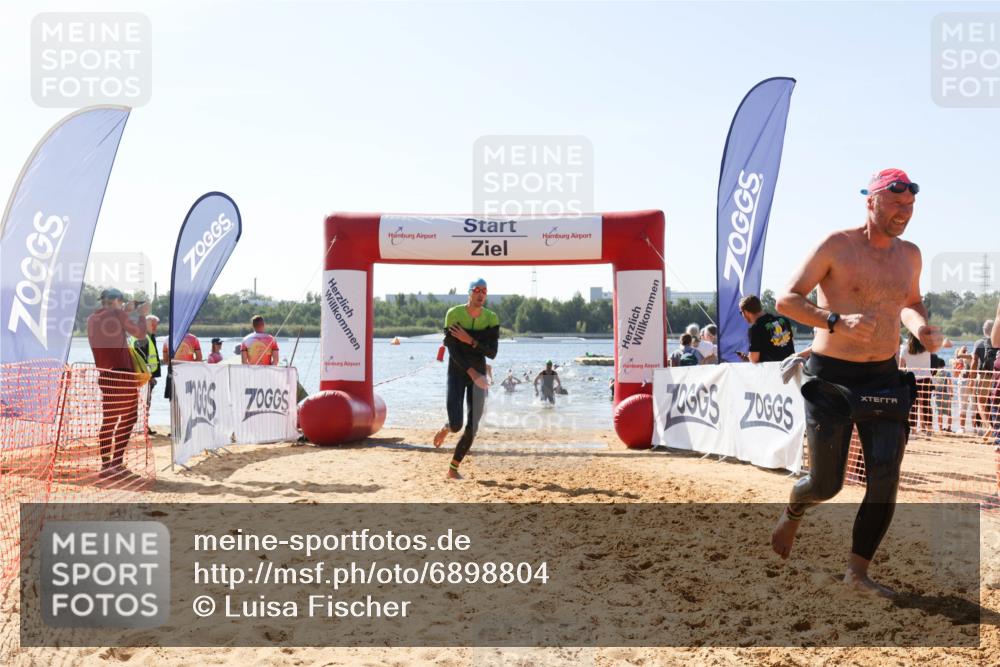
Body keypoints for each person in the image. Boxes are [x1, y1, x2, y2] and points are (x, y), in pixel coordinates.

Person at [770, 168, 942, 597]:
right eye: (896, 204)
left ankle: (857, 574)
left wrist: (921, 328)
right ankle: (795, 509)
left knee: (885, 479)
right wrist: (834, 319)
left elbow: (911, 301)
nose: (905, 212)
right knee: (827, 485)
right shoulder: (837, 245)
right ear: (871, 201)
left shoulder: (911, 254)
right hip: (831, 378)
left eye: (910, 206)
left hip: (883, 378)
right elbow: (786, 298)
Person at [432, 278, 499, 479]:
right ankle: (447, 427)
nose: (481, 294)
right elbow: (452, 349)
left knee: (473, 426)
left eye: (484, 291)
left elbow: (492, 352)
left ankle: (453, 469)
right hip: (458, 372)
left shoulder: (491, 318)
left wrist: (469, 340)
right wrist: (472, 372)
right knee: (456, 424)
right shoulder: (454, 314)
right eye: (477, 290)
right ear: (469, 293)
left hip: (479, 373)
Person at [86, 288, 149, 484]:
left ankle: (107, 465)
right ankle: (117, 463)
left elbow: (111, 324)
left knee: (109, 421)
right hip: (123, 374)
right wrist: (141, 315)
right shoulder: (117, 314)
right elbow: (140, 335)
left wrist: (126, 311)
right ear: (116, 301)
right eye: (121, 302)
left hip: (106, 374)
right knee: (130, 418)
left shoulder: (92, 319)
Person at [739, 295, 795, 363]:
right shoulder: (783, 320)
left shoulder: (755, 329)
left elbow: (754, 360)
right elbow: (790, 345)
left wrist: (746, 358)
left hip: (774, 371)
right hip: (791, 367)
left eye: (741, 312)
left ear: (746, 312)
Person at [131, 314, 161, 434]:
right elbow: (141, 359)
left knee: (146, 402)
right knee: (144, 402)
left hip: (145, 377)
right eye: (153, 324)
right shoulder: (142, 338)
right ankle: (142, 427)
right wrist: (150, 376)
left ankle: (144, 426)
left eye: (156, 325)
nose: (155, 327)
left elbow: (150, 357)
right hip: (143, 377)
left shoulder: (148, 336)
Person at [899, 333, 932, 434]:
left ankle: (913, 430)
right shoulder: (927, 348)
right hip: (926, 378)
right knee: (926, 404)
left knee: (912, 404)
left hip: (911, 378)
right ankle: (929, 429)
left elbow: (901, 367)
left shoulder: (905, 349)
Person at [971, 320, 997, 436]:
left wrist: (971, 379)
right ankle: (996, 428)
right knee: (995, 402)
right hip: (997, 375)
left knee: (981, 402)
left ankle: (989, 427)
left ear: (983, 330)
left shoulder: (979, 343)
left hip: (984, 375)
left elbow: (974, 361)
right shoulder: (998, 342)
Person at [931, 355, 952, 433]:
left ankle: (940, 429)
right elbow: (949, 383)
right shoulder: (947, 372)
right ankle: (949, 428)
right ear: (944, 365)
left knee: (939, 413)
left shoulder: (934, 372)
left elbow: (932, 383)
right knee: (949, 412)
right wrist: (951, 392)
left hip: (937, 394)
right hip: (946, 394)